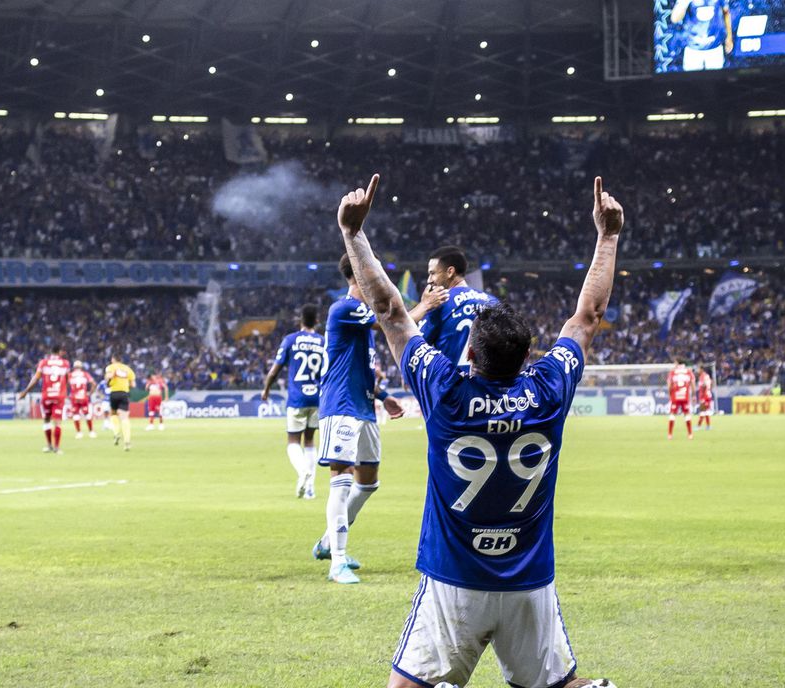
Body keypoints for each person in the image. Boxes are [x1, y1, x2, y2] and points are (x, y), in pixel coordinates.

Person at [333, 173, 620, 688]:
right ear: (527, 356)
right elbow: (588, 316)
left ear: (471, 354)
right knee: (560, 685)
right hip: (530, 581)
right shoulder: (548, 390)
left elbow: (390, 310)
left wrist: (354, 235)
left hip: (454, 578)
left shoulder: (445, 390)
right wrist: (608, 237)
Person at [312, 253, 405, 584]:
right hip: (341, 407)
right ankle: (336, 561)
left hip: (364, 405)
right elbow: (392, 324)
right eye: (373, 269)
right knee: (342, 479)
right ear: (361, 274)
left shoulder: (360, 318)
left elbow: (356, 368)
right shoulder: (344, 309)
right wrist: (424, 307)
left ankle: (327, 542)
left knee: (368, 481)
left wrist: (383, 396)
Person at [261, 305, 326, 500]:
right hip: (317, 396)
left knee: (292, 441)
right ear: (317, 321)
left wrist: (266, 389)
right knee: (309, 440)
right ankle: (311, 488)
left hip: (297, 398)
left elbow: (275, 370)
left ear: (300, 320)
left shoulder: (291, 340)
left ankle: (303, 472)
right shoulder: (323, 342)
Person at [409, 245, 496, 370]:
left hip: (452, 385)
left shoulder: (438, 302)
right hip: (487, 386)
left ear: (450, 272)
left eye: (432, 273)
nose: (429, 280)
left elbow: (418, 347)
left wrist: (423, 305)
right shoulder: (493, 303)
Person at [668, 0, 733, 71]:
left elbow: (726, 13)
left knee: (718, 84)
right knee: (691, 86)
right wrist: (686, 0)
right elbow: (675, 18)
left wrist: (729, 37)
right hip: (693, 50)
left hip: (714, 48)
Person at [17, 346, 70, 453]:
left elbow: (36, 378)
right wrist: (65, 391)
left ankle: (49, 445)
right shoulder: (65, 363)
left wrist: (25, 392)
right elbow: (67, 379)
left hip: (46, 395)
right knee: (57, 422)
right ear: (59, 352)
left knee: (46, 420)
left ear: (51, 352)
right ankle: (57, 447)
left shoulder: (43, 362)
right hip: (59, 395)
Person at [102, 355, 137, 451]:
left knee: (113, 413)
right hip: (124, 393)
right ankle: (127, 441)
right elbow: (133, 384)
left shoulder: (111, 367)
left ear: (113, 359)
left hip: (114, 393)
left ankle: (116, 432)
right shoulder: (128, 369)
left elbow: (108, 377)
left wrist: (109, 380)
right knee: (124, 417)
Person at [667, 359, 696, 439]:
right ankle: (690, 434)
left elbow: (669, 385)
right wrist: (694, 395)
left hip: (675, 396)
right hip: (685, 396)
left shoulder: (672, 372)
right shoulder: (689, 372)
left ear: (677, 363)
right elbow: (693, 384)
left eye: (675, 363)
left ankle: (670, 434)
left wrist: (670, 394)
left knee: (672, 414)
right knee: (687, 415)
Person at [68, 361, 96, 438]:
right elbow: (94, 383)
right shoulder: (85, 374)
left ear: (74, 367)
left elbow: (65, 384)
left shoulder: (70, 375)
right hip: (83, 396)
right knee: (87, 414)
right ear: (81, 367)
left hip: (74, 397)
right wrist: (90, 393)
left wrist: (67, 393)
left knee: (76, 415)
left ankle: (79, 433)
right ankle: (91, 432)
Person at [695, 363, 715, 431]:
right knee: (705, 411)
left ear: (701, 369)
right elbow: (711, 383)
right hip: (707, 395)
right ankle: (707, 426)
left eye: (698, 369)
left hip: (704, 396)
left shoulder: (703, 376)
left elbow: (704, 386)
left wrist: (703, 396)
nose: (697, 370)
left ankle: (699, 426)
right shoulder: (706, 376)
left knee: (702, 410)